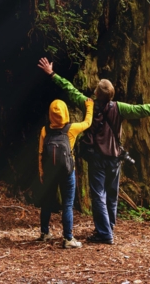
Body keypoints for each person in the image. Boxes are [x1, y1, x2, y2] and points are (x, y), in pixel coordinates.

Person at [38, 57, 150, 245]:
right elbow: (144, 109)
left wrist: (52, 74)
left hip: (97, 158)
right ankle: (108, 227)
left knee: (98, 194)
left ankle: (105, 233)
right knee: (111, 194)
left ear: (97, 92)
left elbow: (69, 89)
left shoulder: (88, 104)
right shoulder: (120, 108)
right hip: (115, 157)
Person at [38, 97, 93, 248]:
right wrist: (89, 106)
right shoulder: (72, 129)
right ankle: (68, 239)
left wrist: (41, 173)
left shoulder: (45, 130)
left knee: (46, 203)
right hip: (67, 172)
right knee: (67, 205)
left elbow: (41, 154)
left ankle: (44, 233)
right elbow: (88, 122)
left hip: (50, 173)